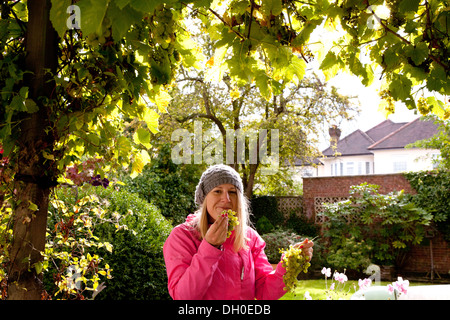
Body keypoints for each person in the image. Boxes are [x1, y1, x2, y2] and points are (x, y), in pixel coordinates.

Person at [163, 164, 313, 300]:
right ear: (204, 198)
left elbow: (265, 293)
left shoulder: (250, 238)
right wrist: (210, 247)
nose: (226, 199)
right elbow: (183, 296)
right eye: (217, 191)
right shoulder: (182, 236)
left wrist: (288, 266)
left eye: (232, 192)